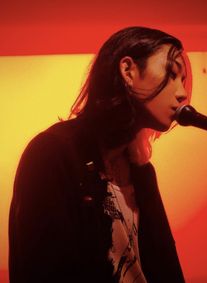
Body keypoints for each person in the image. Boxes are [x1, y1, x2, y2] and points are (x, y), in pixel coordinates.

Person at [9, 26, 191, 283]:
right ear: (128, 71)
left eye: (182, 80)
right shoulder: (52, 153)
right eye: (171, 74)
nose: (182, 92)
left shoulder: (143, 172)